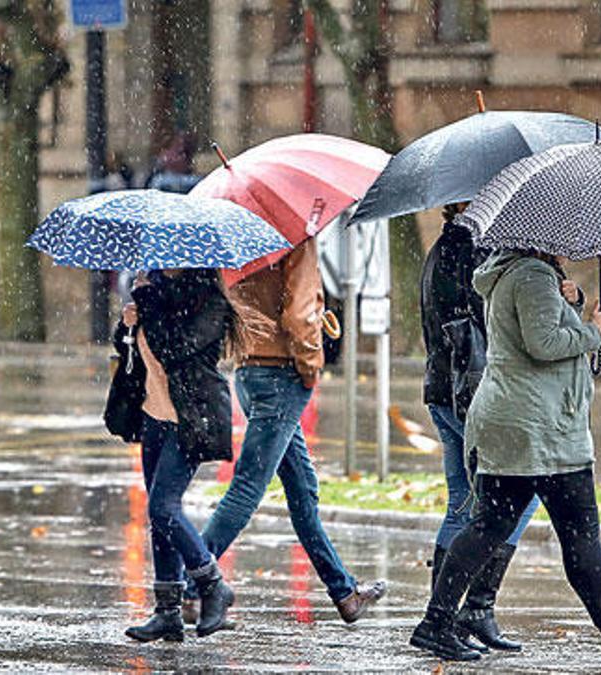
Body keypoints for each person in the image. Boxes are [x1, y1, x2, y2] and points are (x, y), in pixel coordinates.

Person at [410, 249, 601, 664]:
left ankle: (436, 622)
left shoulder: (510, 273)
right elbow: (543, 344)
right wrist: (595, 330)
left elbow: (530, 330)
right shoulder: (533, 275)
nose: (568, 246)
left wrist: (569, 302)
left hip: (516, 424)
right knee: (580, 534)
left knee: (489, 525)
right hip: (543, 432)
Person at [189, 239, 387, 624]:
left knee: (302, 492)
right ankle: (189, 584)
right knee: (247, 487)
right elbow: (298, 315)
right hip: (281, 374)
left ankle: (344, 592)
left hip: (248, 370)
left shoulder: (241, 237)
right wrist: (311, 364)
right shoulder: (295, 238)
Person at [419, 203, 539, 652]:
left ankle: (447, 615)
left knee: (462, 504)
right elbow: (502, 326)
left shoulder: (442, 248)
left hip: (444, 391)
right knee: (517, 500)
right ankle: (468, 610)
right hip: (471, 395)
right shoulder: (475, 252)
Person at [118, 269, 240, 642]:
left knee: (163, 508)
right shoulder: (154, 291)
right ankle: (167, 612)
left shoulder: (211, 303)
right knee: (160, 519)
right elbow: (131, 352)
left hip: (190, 419)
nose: (162, 263)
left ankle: (212, 583)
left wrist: (149, 307)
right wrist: (126, 326)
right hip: (154, 416)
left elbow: (173, 350)